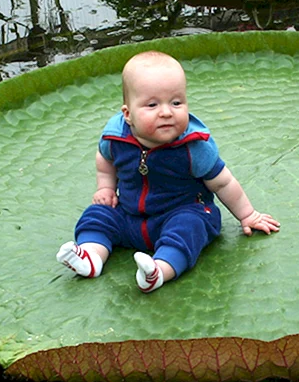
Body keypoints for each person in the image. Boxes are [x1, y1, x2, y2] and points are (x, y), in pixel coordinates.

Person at [56, 50, 279, 292]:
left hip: (180, 212)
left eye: (176, 102)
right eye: (152, 105)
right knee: (98, 215)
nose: (166, 112)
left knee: (189, 228)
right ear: (128, 114)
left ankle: (159, 270)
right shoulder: (115, 137)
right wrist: (106, 188)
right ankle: (91, 257)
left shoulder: (194, 147)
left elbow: (223, 183)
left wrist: (248, 215)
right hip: (129, 215)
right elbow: (105, 159)